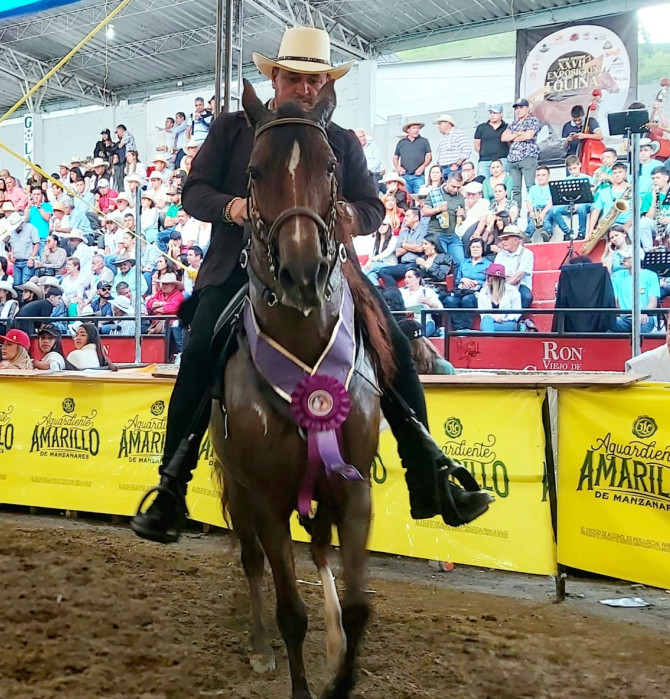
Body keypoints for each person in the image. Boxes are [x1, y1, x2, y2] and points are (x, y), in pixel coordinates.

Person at [132, 25, 491, 545]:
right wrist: (232, 207)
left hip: (328, 270)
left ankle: (429, 472)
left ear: (325, 84)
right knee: (201, 353)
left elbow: (371, 207)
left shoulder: (340, 140)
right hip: (239, 267)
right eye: (296, 77)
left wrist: (344, 212)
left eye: (315, 80)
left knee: (392, 340)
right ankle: (172, 485)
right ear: (275, 77)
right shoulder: (234, 130)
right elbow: (194, 192)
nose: (305, 88)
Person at [443, 238, 490, 331]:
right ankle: (458, 328)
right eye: (473, 247)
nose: (475, 249)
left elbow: (489, 282)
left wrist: (476, 282)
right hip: (462, 290)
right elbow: (457, 280)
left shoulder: (488, 264)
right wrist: (463, 279)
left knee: (467, 300)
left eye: (478, 247)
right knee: (450, 300)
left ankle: (466, 328)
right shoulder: (464, 262)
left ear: (482, 249)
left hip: (477, 292)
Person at [502, 98, 540, 207]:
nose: (518, 110)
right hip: (513, 159)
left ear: (527, 108)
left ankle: (533, 212)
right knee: (516, 189)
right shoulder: (513, 124)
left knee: (530, 186)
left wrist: (512, 137)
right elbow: (504, 137)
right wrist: (518, 135)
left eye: (521, 107)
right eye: (517, 108)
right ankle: (516, 214)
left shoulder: (533, 120)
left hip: (527, 157)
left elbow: (528, 136)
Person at [610, 252, 660, 333]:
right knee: (608, 326)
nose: (623, 260)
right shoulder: (617, 276)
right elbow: (614, 300)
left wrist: (644, 313)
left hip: (644, 316)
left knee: (642, 326)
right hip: (624, 318)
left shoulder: (651, 275)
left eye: (626, 258)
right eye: (622, 257)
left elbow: (653, 301)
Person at [492, 226, 534, 307]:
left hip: (520, 284)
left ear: (516, 240)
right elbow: (495, 272)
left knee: (526, 297)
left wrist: (504, 287)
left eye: (506, 239)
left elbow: (519, 276)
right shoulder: (501, 254)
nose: (503, 242)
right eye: (502, 239)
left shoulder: (527, 253)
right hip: (502, 283)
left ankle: (515, 318)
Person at [475, 263, 521, 332]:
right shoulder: (483, 292)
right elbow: (483, 313)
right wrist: (493, 317)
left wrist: (503, 317)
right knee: (486, 320)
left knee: (487, 326)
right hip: (489, 321)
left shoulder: (512, 291)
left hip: (507, 323)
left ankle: (488, 336)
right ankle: (490, 337)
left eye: (489, 276)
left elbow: (517, 313)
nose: (487, 279)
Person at [393, 120, 432, 194]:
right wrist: (398, 168)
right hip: (404, 176)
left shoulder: (424, 141)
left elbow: (429, 156)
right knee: (406, 198)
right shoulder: (401, 142)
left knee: (420, 197)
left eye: (418, 128)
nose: (416, 130)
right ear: (408, 130)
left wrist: (422, 167)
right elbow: (395, 158)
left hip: (418, 176)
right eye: (414, 128)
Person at [473, 105, 509, 177]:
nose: (492, 115)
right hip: (484, 161)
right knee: (483, 183)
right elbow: (477, 146)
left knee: (502, 184)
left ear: (501, 114)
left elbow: (510, 143)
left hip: (502, 160)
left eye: (495, 113)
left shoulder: (507, 127)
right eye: (491, 113)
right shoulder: (481, 127)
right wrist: (485, 152)